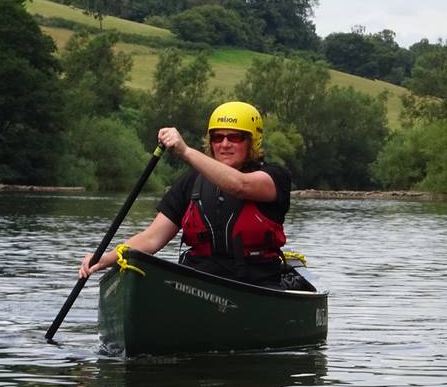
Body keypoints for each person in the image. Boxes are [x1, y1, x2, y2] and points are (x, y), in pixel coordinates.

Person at [78, 100, 292, 286]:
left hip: (257, 281)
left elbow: (240, 185)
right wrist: (103, 259)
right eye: (217, 138)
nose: (224, 144)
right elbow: (151, 238)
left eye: (234, 138)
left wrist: (185, 151)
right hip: (199, 281)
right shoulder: (191, 182)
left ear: (253, 141)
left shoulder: (274, 176)